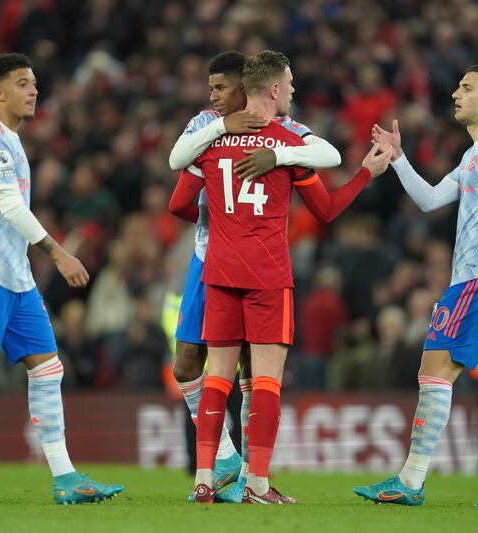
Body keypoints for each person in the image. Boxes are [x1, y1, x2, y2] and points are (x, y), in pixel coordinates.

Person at [170, 50, 392, 504]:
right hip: (268, 273)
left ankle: (204, 481)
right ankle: (256, 484)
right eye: (289, 83)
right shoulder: (288, 144)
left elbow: (178, 186)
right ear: (273, 89)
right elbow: (326, 209)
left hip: (218, 268)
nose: (293, 90)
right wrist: (366, 173)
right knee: (265, 382)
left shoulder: (209, 139)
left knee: (217, 379)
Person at [0, 53, 124, 505]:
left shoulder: (10, 140)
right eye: (23, 83)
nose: (33, 90)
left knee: (48, 368)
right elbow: (9, 208)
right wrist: (59, 252)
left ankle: (66, 478)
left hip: (15, 277)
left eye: (34, 83)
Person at [355, 64, 478, 508]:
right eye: (458, 85)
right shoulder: (474, 155)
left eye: (467, 87)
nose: (456, 93)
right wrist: (399, 159)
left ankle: (411, 481)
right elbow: (430, 200)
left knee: (433, 371)